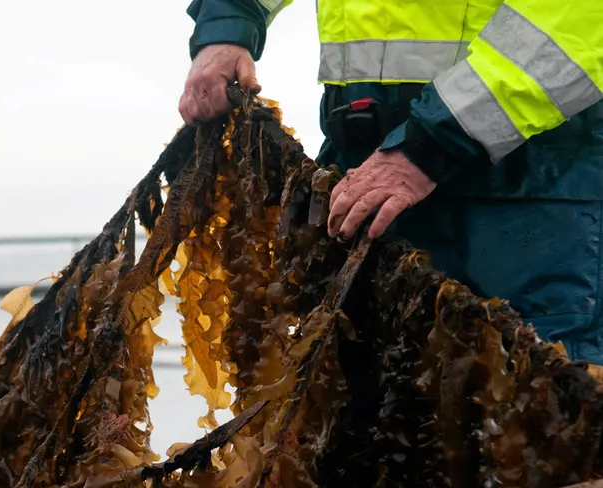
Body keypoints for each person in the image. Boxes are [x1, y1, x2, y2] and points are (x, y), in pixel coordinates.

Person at [180, 0, 603, 365]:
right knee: (354, 423)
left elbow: (580, 20)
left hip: (534, 189)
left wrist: (438, 137)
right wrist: (229, 23)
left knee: (537, 418)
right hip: (363, 169)